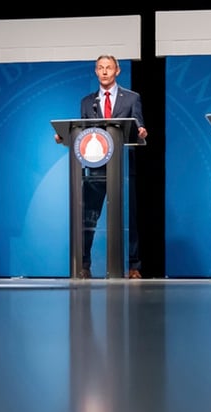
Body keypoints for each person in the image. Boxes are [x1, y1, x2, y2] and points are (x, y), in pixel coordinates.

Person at [54, 54, 148, 279]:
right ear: (96, 72)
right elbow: (83, 133)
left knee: (129, 217)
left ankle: (133, 266)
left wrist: (142, 130)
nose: (104, 71)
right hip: (95, 169)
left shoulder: (132, 98)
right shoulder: (87, 102)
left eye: (109, 68)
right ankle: (84, 265)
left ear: (117, 71)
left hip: (123, 167)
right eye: (100, 68)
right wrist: (65, 136)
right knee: (89, 216)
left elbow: (139, 124)